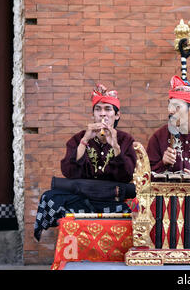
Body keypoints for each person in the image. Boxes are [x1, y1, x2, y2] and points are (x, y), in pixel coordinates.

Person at [34, 84, 137, 241]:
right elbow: (69, 172)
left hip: (112, 199)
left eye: (108, 109)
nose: (103, 114)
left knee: (140, 205)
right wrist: (85, 140)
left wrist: (115, 144)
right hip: (82, 198)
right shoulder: (79, 138)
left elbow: (127, 176)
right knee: (49, 197)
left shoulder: (125, 140)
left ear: (117, 115)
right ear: (93, 114)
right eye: (98, 109)